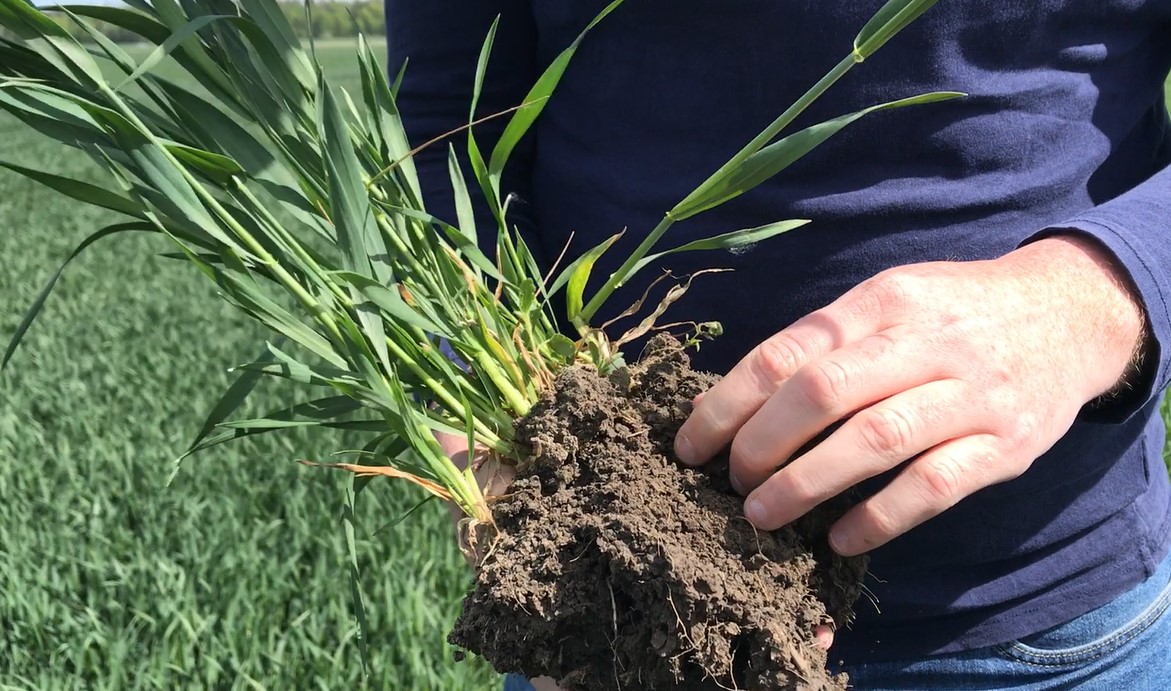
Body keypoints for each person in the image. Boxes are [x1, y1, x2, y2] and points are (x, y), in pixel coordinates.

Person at [385, 2, 1171, 688]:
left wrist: (1085, 300)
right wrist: (497, 445)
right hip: (618, 612)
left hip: (1045, 614)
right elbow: (448, 133)